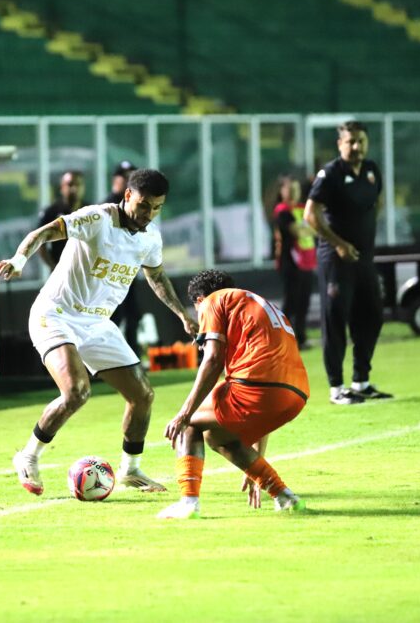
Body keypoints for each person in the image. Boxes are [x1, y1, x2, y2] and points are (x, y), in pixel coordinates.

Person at [0, 168, 199, 495]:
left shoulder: (150, 237)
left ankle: (131, 470)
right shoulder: (97, 218)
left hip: (97, 323)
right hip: (56, 313)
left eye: (157, 207)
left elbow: (157, 278)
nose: (149, 214)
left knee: (143, 395)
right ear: (128, 195)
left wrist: (182, 315)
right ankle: (28, 455)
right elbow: (44, 233)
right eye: (144, 205)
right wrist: (19, 259)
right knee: (76, 392)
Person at [159, 269, 308, 519]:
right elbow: (261, 409)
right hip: (295, 395)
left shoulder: (211, 302)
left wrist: (183, 414)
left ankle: (188, 503)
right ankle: (285, 496)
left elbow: (213, 360)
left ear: (199, 301)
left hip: (259, 387)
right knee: (218, 437)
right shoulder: (255, 306)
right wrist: (256, 466)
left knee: (189, 423)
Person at [304, 121, 393, 405]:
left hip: (364, 257)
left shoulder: (371, 170)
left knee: (373, 315)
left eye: (361, 141)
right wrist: (339, 243)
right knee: (335, 319)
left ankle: (361, 381)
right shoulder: (330, 174)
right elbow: (310, 214)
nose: (356, 147)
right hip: (336, 259)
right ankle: (336, 388)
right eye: (351, 142)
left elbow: (378, 202)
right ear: (340, 144)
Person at [273, 175, 317, 349]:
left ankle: (301, 337)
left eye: (295, 189)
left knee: (304, 301)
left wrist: (309, 229)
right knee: (291, 301)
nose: (292, 192)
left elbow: (313, 229)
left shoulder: (302, 209)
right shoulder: (282, 211)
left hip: (307, 262)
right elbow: (299, 232)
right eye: (289, 189)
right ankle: (283, 338)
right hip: (290, 263)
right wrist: (310, 229)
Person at [107, 162, 143, 356]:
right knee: (113, 318)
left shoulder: (136, 208)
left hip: (128, 273)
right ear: (116, 180)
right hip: (109, 276)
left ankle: (133, 358)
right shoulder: (107, 207)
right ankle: (110, 360)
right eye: (125, 176)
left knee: (133, 316)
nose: (130, 180)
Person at [36, 170, 85, 271]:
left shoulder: (90, 210)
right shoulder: (51, 212)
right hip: (61, 270)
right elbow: (40, 243)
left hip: (84, 271)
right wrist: (53, 267)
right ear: (61, 187)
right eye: (70, 184)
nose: (74, 188)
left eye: (78, 184)